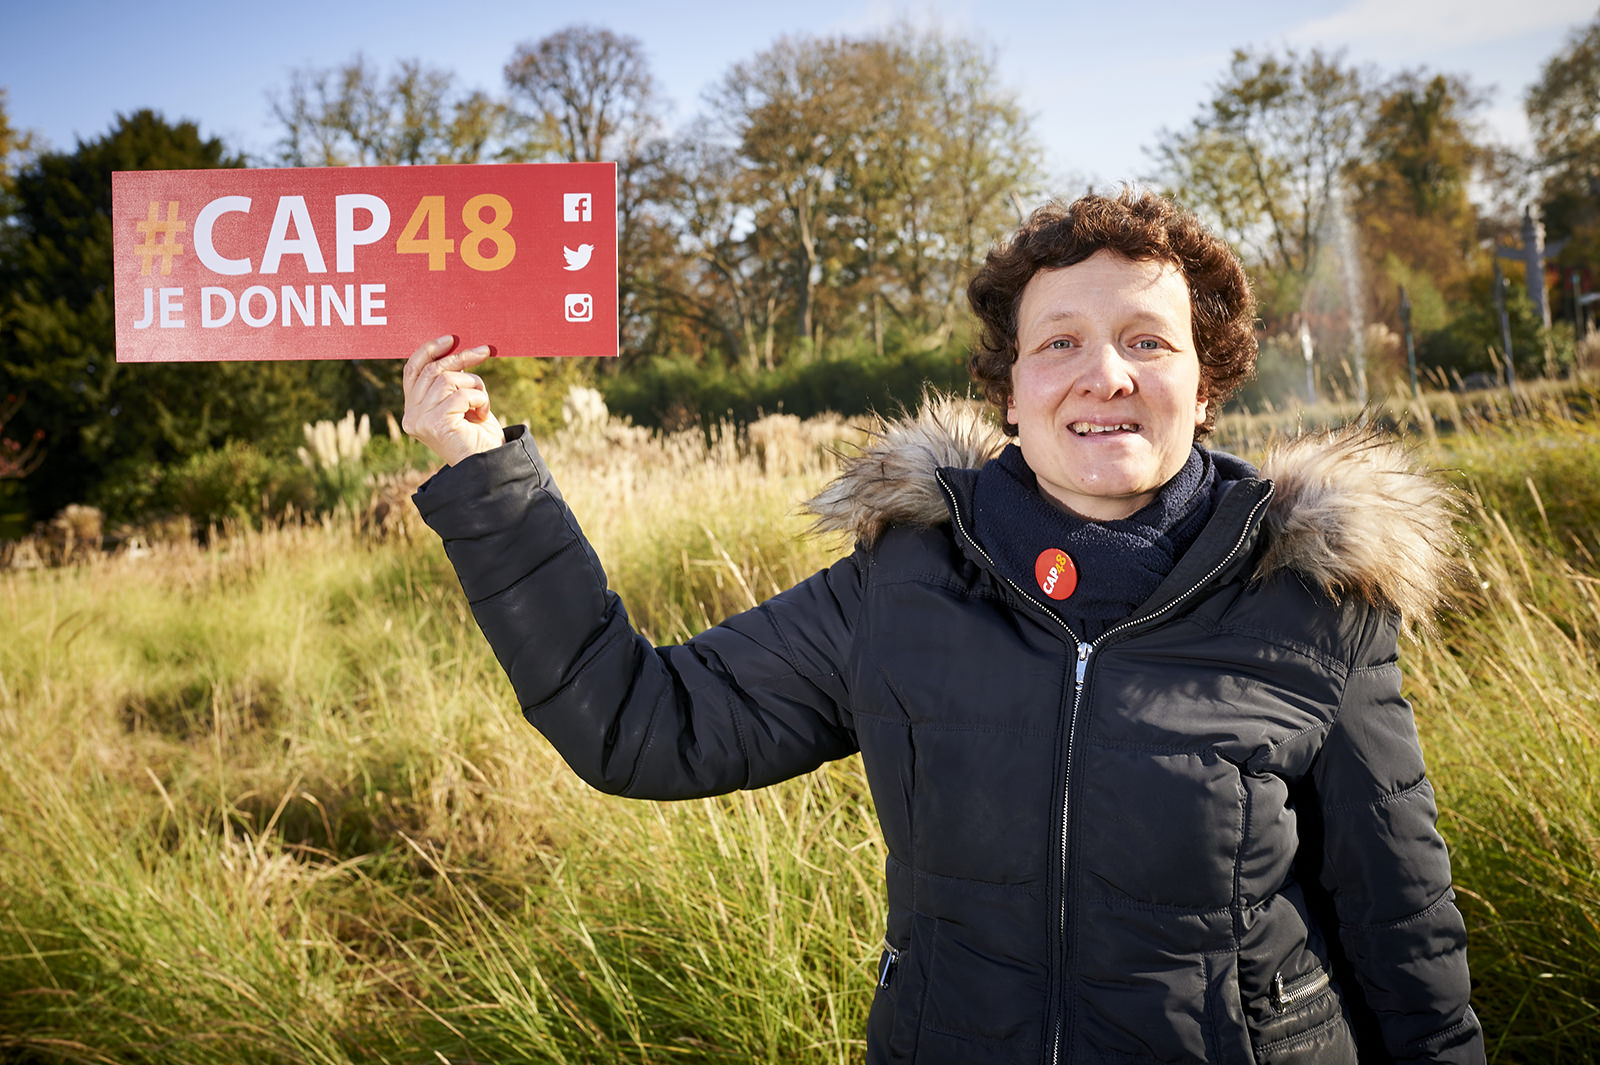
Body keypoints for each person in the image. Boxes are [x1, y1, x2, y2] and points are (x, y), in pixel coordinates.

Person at [401, 189, 1485, 1065]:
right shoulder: (904, 584)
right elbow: (641, 725)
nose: (1103, 373)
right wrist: (482, 473)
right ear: (1009, 390)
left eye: (1148, 342)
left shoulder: (1312, 596)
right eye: (1058, 341)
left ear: (1205, 388)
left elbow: (1402, 931)